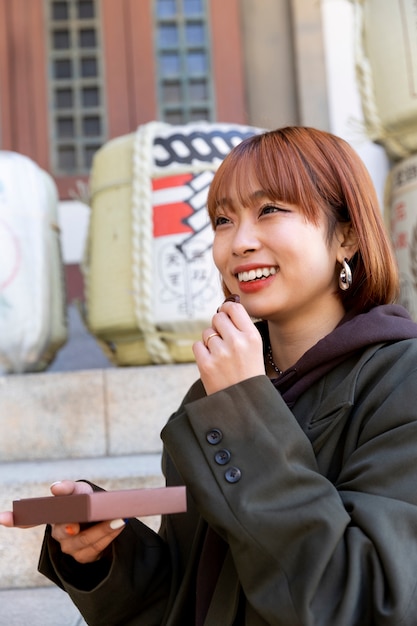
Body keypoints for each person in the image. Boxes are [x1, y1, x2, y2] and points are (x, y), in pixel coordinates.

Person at [3, 126, 417, 626]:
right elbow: (191, 592)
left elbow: (363, 602)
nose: (239, 242)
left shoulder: (400, 380)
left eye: (270, 210)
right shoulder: (212, 391)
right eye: (223, 220)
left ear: (346, 235)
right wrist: (107, 552)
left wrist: (244, 409)